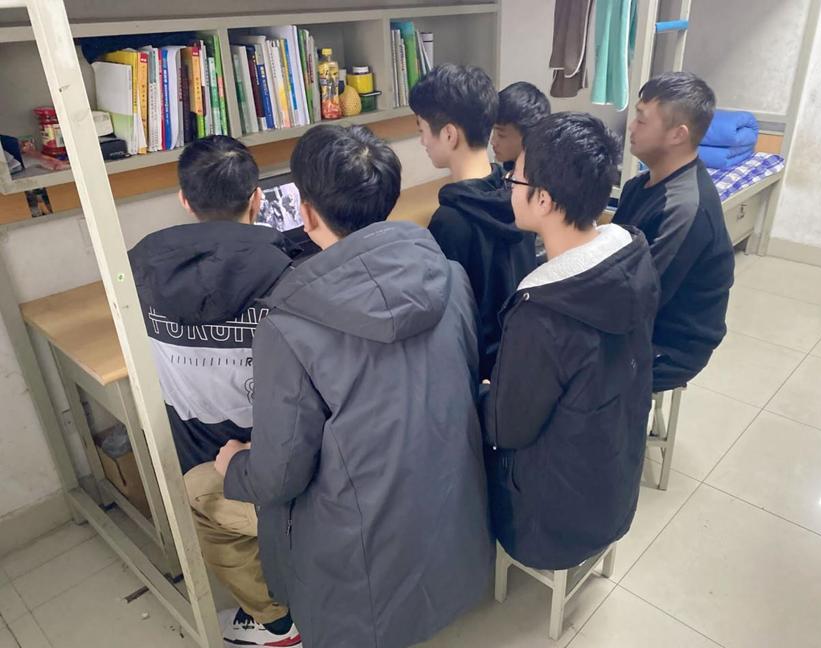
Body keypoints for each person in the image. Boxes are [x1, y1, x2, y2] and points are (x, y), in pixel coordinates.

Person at [216, 124, 493, 648]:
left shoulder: (288, 327)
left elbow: (278, 477)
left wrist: (235, 466)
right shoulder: (452, 277)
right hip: (452, 523)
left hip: (360, 567)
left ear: (307, 214)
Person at [128, 135, 301, 647]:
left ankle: (273, 622)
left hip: (201, 460)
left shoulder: (136, 273)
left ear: (185, 200)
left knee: (209, 508)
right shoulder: (292, 274)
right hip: (281, 457)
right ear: (257, 199)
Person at [483, 113, 659, 569]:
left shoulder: (542, 314)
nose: (509, 184)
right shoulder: (632, 257)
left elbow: (505, 430)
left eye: (515, 176)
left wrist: (484, 391)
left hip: (552, 525)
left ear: (543, 199)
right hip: (614, 487)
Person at [409, 63, 536, 379]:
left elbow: (444, 317)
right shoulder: (516, 196)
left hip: (474, 373)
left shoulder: (450, 221)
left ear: (449, 134)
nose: (423, 141)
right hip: (518, 357)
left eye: (422, 130)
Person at [613, 71, 734, 392]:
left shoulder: (685, 208)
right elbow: (612, 257)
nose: (631, 127)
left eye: (641, 120)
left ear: (678, 135)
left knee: (562, 362)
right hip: (639, 315)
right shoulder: (638, 186)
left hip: (670, 346)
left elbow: (642, 297)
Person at [491, 81, 551, 173]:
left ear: (528, 137)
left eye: (501, 135)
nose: (493, 142)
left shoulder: (543, 176)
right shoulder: (510, 165)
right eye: (493, 131)